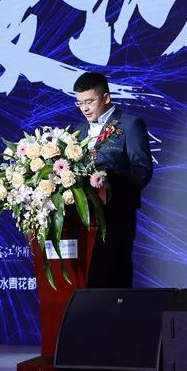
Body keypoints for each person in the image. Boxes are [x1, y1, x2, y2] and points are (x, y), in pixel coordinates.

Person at [72, 72, 153, 288]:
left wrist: (108, 180)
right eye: (80, 103)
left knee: (113, 278)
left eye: (89, 102)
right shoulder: (78, 131)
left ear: (106, 97)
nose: (84, 108)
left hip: (116, 217)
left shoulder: (130, 124)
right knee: (86, 281)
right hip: (83, 220)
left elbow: (142, 170)